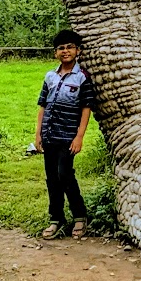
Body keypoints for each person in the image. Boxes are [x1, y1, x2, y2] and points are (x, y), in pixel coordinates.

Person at [33, 29, 97, 240]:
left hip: (68, 137)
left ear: (78, 50)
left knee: (65, 174)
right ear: (55, 53)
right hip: (49, 135)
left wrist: (79, 137)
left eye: (70, 47)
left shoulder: (82, 78)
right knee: (52, 178)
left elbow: (86, 107)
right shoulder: (50, 76)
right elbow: (42, 105)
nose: (65, 51)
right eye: (61, 48)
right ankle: (56, 219)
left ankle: (79, 216)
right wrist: (38, 134)